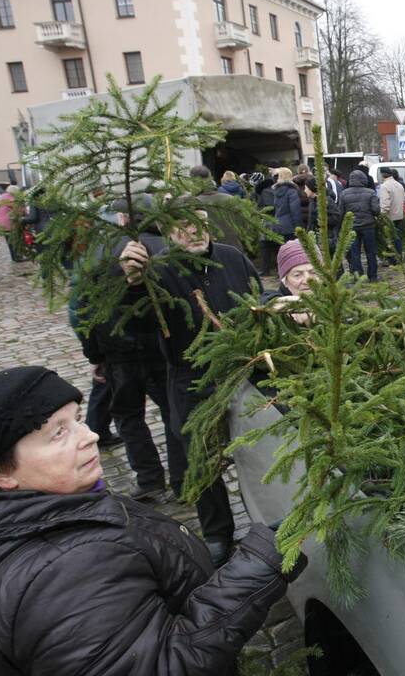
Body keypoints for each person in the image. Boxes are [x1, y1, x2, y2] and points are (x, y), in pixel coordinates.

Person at [0, 366, 303, 676]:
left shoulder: (63, 510)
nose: (89, 436)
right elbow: (163, 666)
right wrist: (260, 565)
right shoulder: (64, 575)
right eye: (58, 433)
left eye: (77, 420)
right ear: (2, 472)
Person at [118, 202, 260, 565]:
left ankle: (263, 518)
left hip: (244, 372)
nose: (193, 230)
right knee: (201, 459)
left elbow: (258, 302)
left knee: (258, 449)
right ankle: (217, 532)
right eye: (182, 225)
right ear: (168, 232)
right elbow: (138, 329)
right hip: (191, 377)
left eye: (199, 221)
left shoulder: (232, 257)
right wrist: (135, 286)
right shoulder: (159, 271)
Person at [78, 199, 177, 500]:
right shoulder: (165, 247)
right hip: (157, 346)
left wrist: (95, 355)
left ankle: (150, 480)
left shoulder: (99, 250)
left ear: (122, 218)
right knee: (170, 412)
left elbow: (86, 309)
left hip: (120, 350)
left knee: (129, 416)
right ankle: (184, 478)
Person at [190, 164, 245, 253]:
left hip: (208, 253)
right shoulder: (231, 199)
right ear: (210, 178)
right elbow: (244, 226)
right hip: (234, 249)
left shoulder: (191, 204)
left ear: (193, 182)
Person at [338, 168, 381, 281]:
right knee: (371, 252)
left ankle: (358, 276)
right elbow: (376, 210)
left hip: (352, 227)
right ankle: (373, 276)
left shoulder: (343, 193)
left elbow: (341, 212)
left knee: (355, 253)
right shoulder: (371, 192)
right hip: (368, 226)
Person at [262, 240, 316, 326]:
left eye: (313, 272)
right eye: (297, 275)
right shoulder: (275, 296)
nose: (307, 280)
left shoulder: (335, 297)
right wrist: (288, 305)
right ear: (285, 280)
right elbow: (266, 300)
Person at [378, 167, 405, 259]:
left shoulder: (384, 186)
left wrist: (382, 216)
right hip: (399, 215)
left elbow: (385, 204)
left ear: (382, 174)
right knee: (397, 237)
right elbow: (404, 199)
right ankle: (399, 256)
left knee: (389, 238)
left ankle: (392, 259)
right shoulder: (399, 184)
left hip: (389, 217)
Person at [271, 167, 302, 243]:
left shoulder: (276, 190)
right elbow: (295, 211)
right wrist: (299, 228)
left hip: (277, 226)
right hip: (290, 228)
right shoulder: (292, 191)